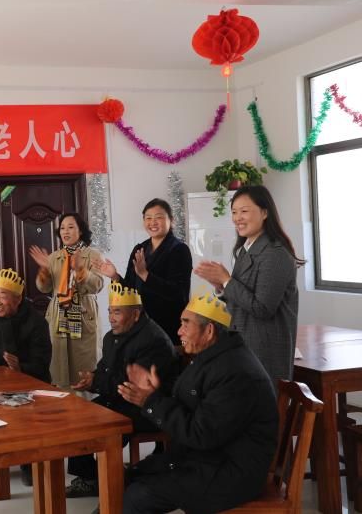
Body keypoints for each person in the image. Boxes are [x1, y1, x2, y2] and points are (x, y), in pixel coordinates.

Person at [117, 292, 278, 513]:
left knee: (138, 496)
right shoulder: (212, 357)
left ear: (209, 330)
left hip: (231, 472)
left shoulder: (237, 373)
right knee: (128, 477)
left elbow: (200, 433)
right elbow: (190, 408)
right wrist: (154, 393)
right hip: (205, 459)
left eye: (186, 324)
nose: (179, 331)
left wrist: (150, 401)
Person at [64, 282, 177, 499]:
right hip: (119, 399)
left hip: (148, 407)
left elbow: (132, 386)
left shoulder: (153, 341)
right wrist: (91, 379)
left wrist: (97, 381)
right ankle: (91, 479)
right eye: (110, 311)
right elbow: (105, 370)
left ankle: (115, 487)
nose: (111, 318)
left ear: (135, 314)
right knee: (79, 417)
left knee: (106, 428)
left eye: (117, 312)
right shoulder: (112, 337)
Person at [194, 185, 303, 385]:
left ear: (264, 213)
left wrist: (227, 281)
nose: (237, 218)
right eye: (234, 212)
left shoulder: (275, 253)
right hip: (243, 347)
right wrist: (221, 286)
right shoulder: (246, 250)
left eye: (244, 211)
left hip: (264, 352)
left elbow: (262, 308)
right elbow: (240, 300)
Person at [0, 268, 52, 488]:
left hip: (33, 386)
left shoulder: (37, 322)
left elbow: (43, 364)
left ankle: (28, 463)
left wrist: (20, 368)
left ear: (18, 299)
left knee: (26, 413)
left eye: (3, 296)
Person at [99, 199, 192, 344]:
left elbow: (179, 294)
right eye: (148, 218)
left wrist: (145, 275)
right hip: (139, 326)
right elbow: (130, 290)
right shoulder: (139, 249)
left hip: (167, 327)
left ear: (171, 220)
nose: (152, 222)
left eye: (158, 217)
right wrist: (115, 276)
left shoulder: (179, 249)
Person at [29, 212, 104, 389]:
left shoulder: (93, 255)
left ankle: (86, 401)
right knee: (59, 368)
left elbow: (98, 285)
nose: (65, 231)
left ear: (81, 231)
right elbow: (44, 288)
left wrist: (80, 270)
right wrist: (44, 270)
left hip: (84, 314)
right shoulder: (54, 257)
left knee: (84, 369)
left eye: (70, 227)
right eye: (62, 228)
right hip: (59, 315)